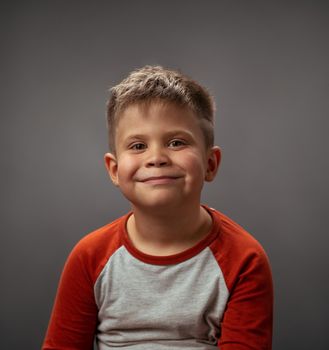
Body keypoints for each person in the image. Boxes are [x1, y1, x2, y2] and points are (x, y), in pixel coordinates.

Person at [42, 65, 273, 350]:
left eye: (176, 142)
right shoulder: (89, 257)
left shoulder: (243, 259)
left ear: (210, 164)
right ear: (114, 170)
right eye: (138, 146)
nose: (156, 158)